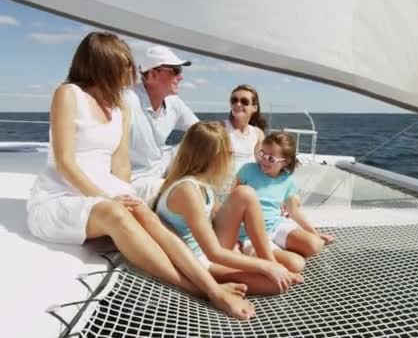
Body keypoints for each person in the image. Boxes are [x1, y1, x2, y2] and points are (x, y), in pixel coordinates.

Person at [26, 32, 254, 320]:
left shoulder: (119, 106)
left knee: (148, 216)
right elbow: (64, 162)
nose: (131, 73)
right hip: (61, 194)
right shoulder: (68, 94)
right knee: (116, 213)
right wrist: (109, 198)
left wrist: (130, 198)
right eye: (123, 65)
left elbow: (121, 166)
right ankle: (205, 290)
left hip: (105, 190)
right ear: (102, 65)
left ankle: (208, 278)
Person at [154, 122, 303, 295]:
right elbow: (213, 254)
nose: (231, 158)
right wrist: (266, 268)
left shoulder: (203, 182)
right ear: (214, 157)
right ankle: (260, 260)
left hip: (210, 246)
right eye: (229, 152)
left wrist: (266, 263)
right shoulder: (187, 191)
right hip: (199, 261)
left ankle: (264, 257)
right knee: (274, 284)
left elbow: (209, 221)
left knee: (245, 193)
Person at [237, 132, 335, 272]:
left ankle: (278, 251)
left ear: (285, 162)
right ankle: (271, 253)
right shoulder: (248, 170)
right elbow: (232, 203)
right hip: (250, 233)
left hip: (275, 226)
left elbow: (294, 211)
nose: (264, 160)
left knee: (315, 245)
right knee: (296, 265)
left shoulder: (286, 180)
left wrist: (315, 233)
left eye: (271, 158)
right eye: (262, 153)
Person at [123, 45, 199, 204]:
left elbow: (199, 131)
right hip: (136, 178)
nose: (180, 77)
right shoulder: (127, 101)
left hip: (161, 168)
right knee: (188, 194)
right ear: (151, 75)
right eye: (175, 71)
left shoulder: (173, 102)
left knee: (204, 141)